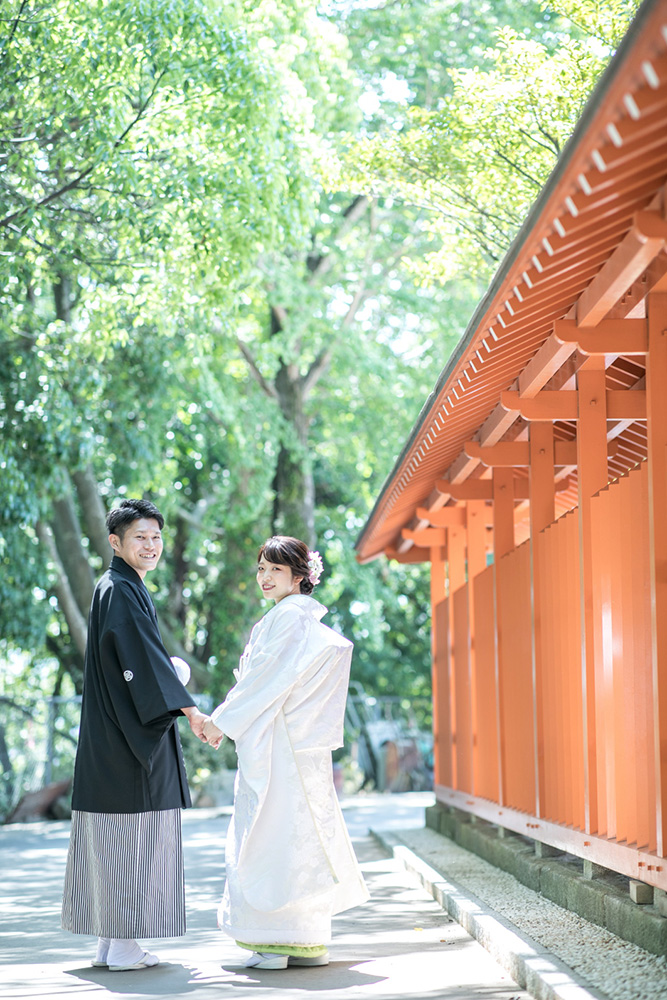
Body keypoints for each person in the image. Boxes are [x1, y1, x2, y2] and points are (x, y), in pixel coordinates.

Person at [203, 535, 369, 970]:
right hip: (295, 745)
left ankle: (274, 943)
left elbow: (265, 680)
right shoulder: (293, 618)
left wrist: (220, 721)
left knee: (271, 834)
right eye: (261, 568)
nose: (264, 577)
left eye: (275, 569)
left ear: (300, 576)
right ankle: (304, 940)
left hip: (279, 745)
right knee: (298, 835)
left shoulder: (289, 618)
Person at [61, 498, 211, 971]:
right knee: (133, 836)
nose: (151, 545)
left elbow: (140, 662)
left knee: (113, 839)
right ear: (115, 542)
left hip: (111, 739)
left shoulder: (118, 587)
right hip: (129, 745)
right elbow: (143, 667)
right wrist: (190, 709)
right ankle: (124, 946)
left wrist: (169, 673)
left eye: (156, 537)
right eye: (140, 537)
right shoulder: (121, 590)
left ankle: (112, 943)